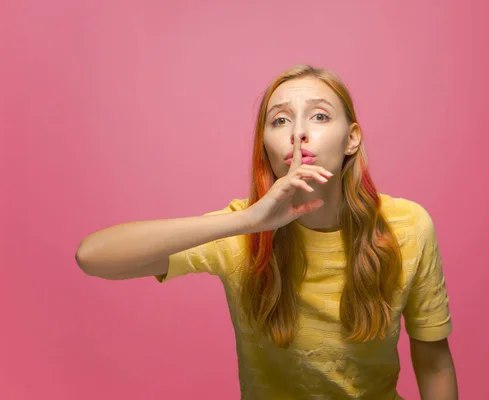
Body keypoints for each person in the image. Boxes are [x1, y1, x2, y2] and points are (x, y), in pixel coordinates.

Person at [75, 64, 458, 400]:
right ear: (266, 146)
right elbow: (93, 256)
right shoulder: (242, 229)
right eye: (280, 120)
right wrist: (248, 222)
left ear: (352, 139)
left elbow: (434, 362)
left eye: (320, 117)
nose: (299, 134)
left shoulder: (408, 225)